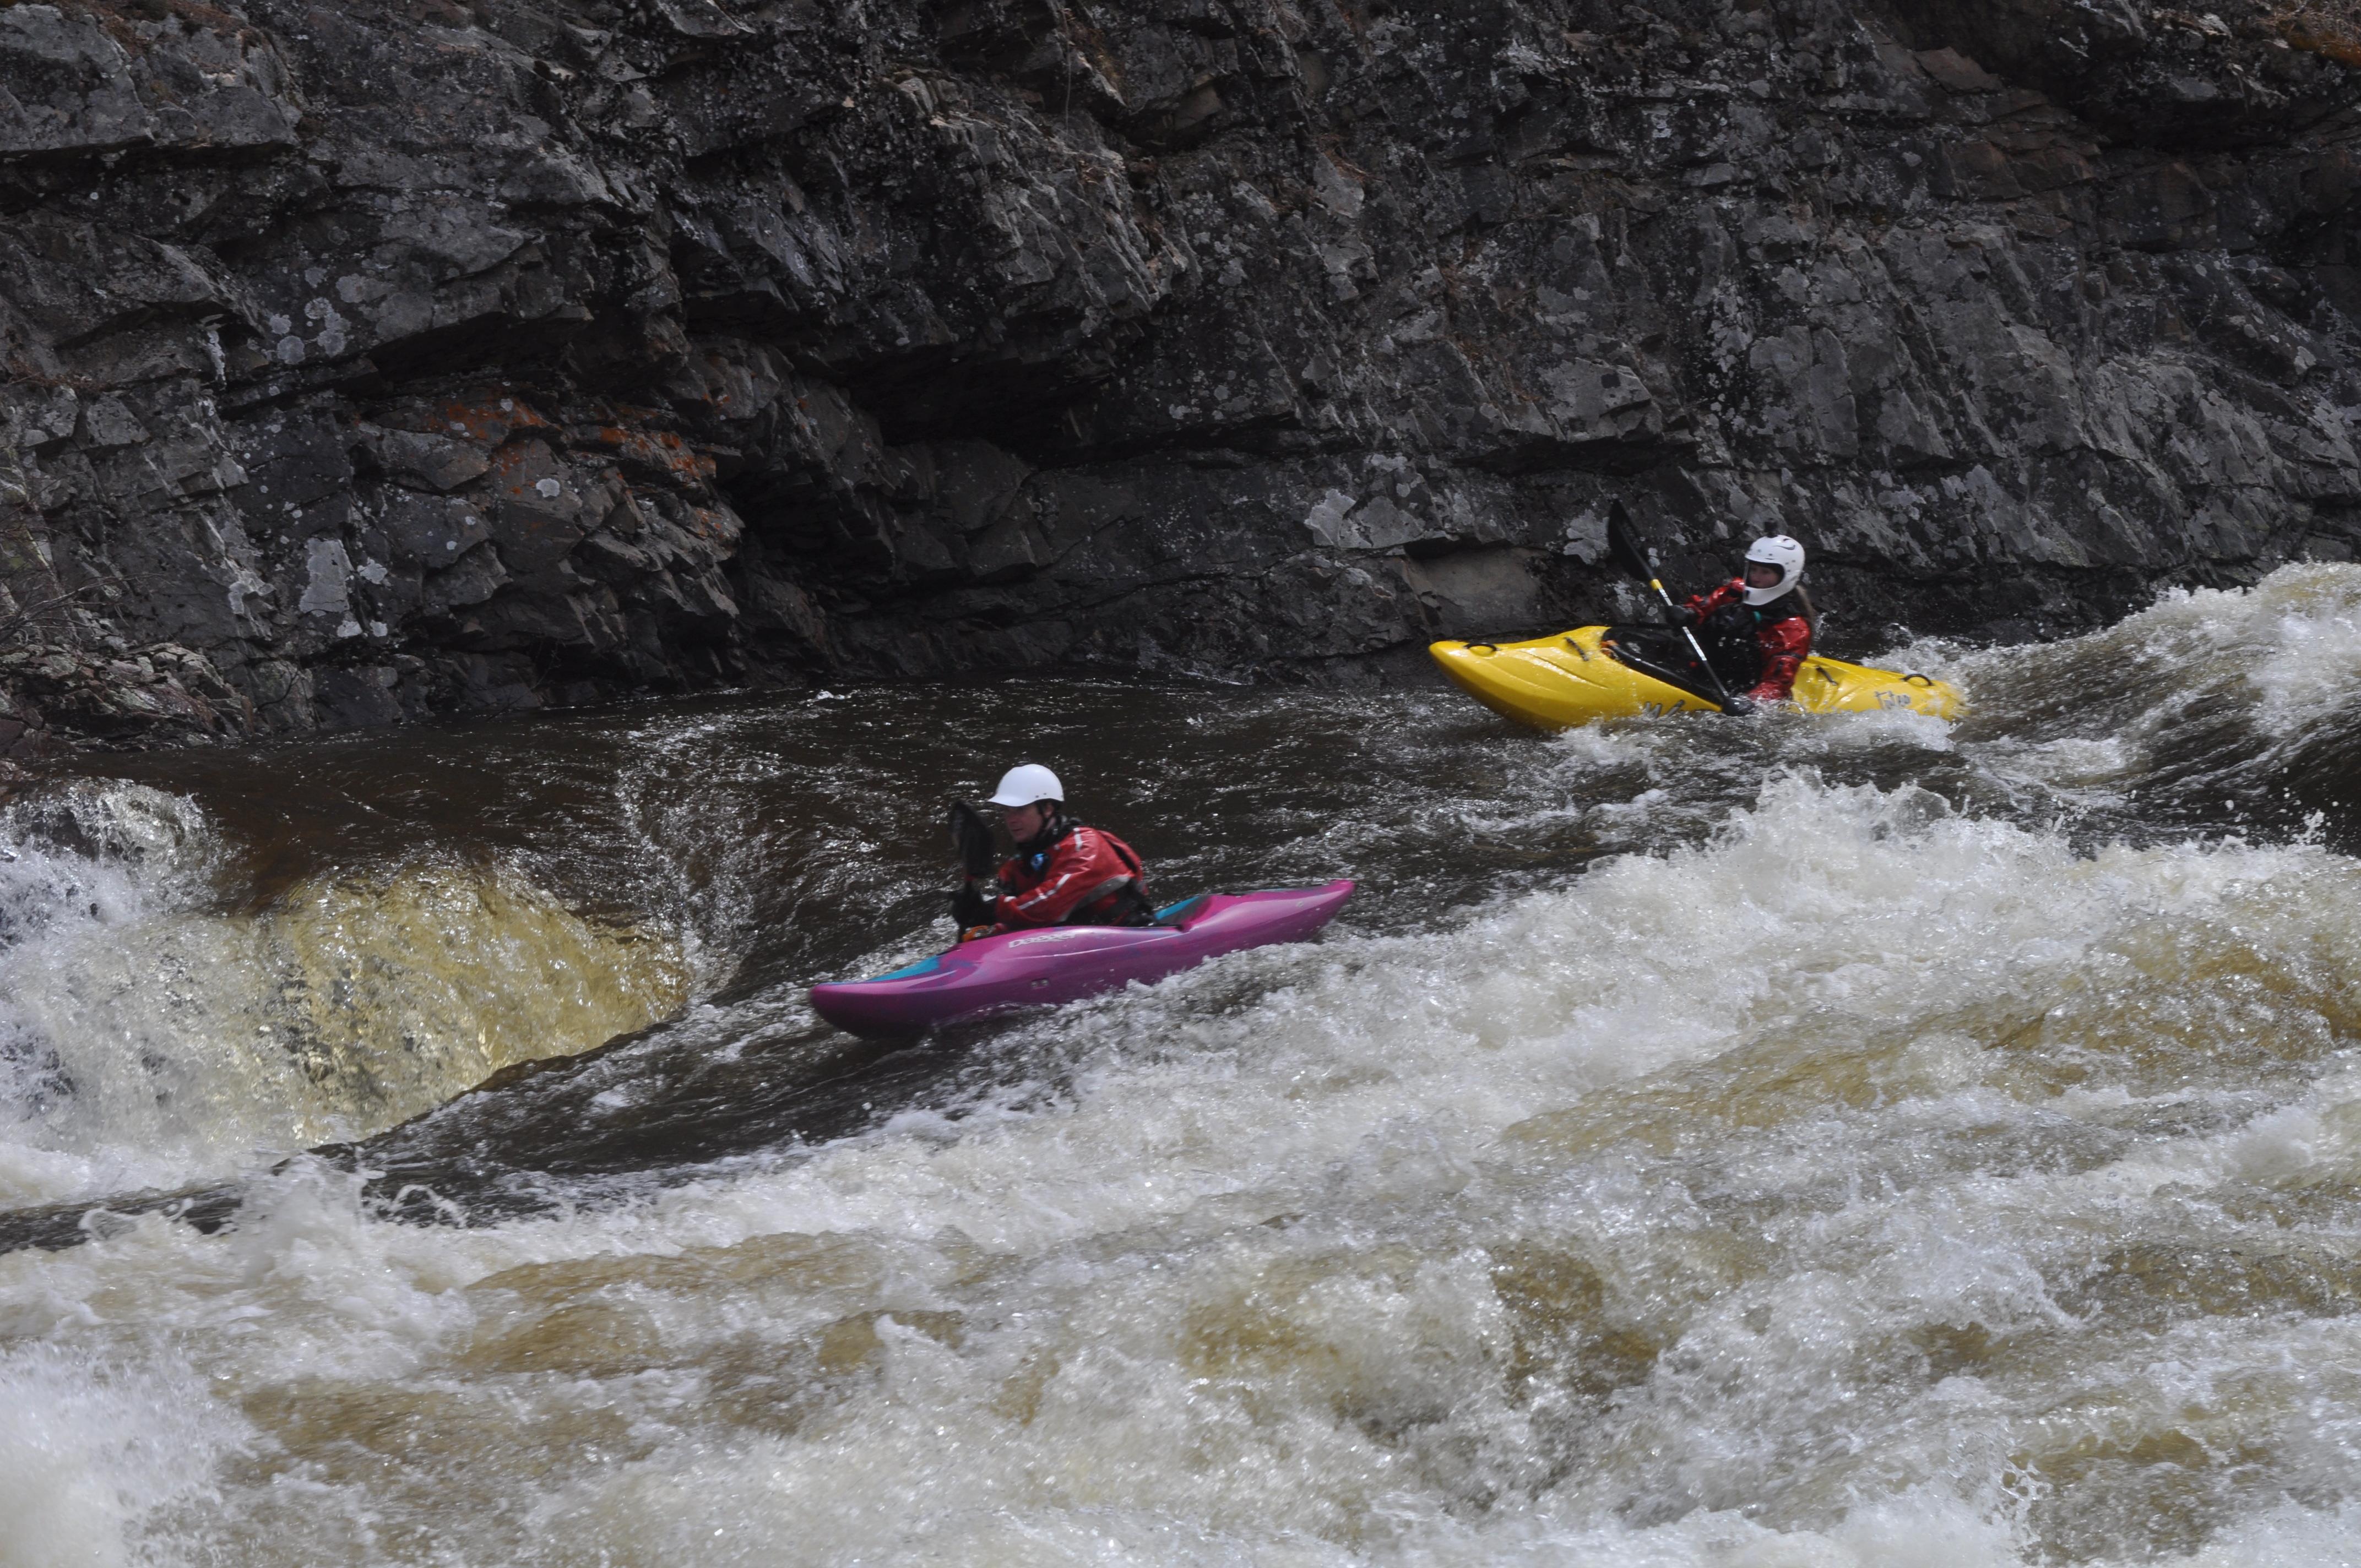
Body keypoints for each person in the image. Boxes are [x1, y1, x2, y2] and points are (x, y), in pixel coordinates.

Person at [950, 764, 1153, 937]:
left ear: (1047, 808)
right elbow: (1014, 916)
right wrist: (974, 914)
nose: (1011, 819)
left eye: (1020, 810)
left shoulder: (1086, 847)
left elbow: (1046, 905)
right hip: (1075, 940)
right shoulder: (1021, 862)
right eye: (1007, 811)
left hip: (1128, 935)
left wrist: (993, 910)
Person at [1667, 534, 1814, 707]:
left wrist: (1750, 702)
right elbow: (1705, 606)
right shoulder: (1736, 592)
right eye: (1754, 569)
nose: (1756, 577)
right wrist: (1688, 613)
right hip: (1704, 673)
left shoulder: (1792, 629)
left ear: (1786, 576)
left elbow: (1777, 683)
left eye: (1765, 572)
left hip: (1746, 691)